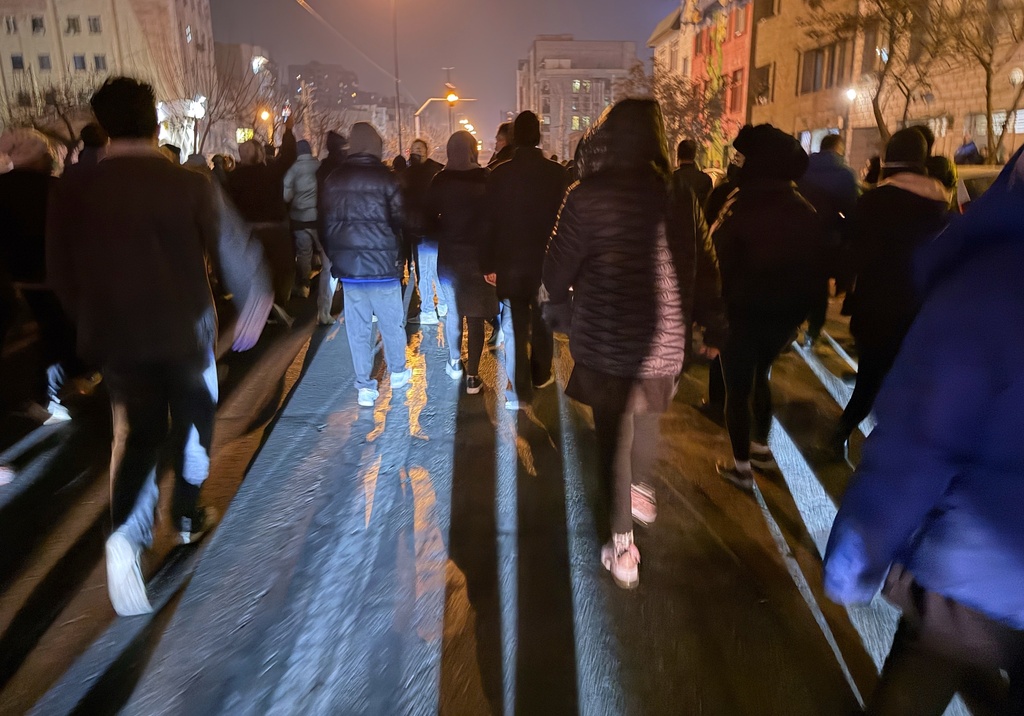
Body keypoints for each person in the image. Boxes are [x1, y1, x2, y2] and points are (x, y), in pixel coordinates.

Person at [823, 145, 1024, 716]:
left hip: (971, 579)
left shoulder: (990, 284)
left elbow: (919, 444)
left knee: (919, 679)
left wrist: (855, 562)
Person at [46, 77, 221, 616]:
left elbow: (61, 273)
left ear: (103, 127)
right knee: (197, 421)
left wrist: (93, 322)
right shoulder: (187, 182)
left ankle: (126, 537)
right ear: (156, 124)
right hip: (186, 335)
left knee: (140, 436)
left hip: (118, 341)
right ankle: (188, 516)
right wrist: (258, 295)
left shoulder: (72, 189)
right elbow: (233, 251)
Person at [543, 99, 726, 589]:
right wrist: (713, 325)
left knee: (612, 439)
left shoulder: (584, 195)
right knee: (647, 420)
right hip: (665, 338)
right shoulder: (680, 194)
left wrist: (558, 301)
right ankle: (640, 491)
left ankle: (623, 550)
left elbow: (555, 272)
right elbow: (707, 268)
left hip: (605, 341)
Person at [712, 124, 827, 489]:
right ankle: (761, 449)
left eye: (740, 158)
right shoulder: (804, 209)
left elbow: (716, 263)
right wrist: (812, 318)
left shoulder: (739, 205)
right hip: (782, 320)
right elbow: (817, 271)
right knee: (762, 376)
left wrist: (706, 314)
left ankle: (742, 466)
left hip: (740, 316)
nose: (735, 164)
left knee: (737, 390)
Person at [831, 129, 950, 458]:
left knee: (869, 378)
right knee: (904, 381)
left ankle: (841, 433)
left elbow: (856, 253)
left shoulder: (873, 202)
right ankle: (887, 444)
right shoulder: (940, 205)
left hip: (877, 307)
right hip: (919, 310)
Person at [321, 122, 412, 407]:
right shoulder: (388, 178)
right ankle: (397, 371)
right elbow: (400, 220)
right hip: (384, 267)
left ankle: (364, 385)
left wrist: (337, 259)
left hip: (351, 270)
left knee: (358, 329)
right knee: (391, 323)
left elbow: (325, 225)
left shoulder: (334, 179)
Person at [483, 111, 567, 409]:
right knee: (543, 319)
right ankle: (541, 373)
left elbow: (489, 223)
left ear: (515, 138)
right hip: (546, 264)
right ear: (539, 137)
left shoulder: (499, 175)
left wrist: (488, 264)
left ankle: (519, 387)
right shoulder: (557, 174)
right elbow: (566, 223)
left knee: (515, 323)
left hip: (511, 265)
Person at [0, 128, 79, 424]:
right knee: (55, 336)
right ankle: (38, 394)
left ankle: (32, 396)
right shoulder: (55, 188)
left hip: (12, 279)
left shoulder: (3, 188)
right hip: (47, 278)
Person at [424, 131, 496, 394]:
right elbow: (494, 221)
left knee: (454, 311)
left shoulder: (440, 180)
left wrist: (443, 231)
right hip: (479, 257)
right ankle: (473, 377)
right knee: (475, 318)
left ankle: (455, 362)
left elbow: (427, 219)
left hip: (450, 258)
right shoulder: (485, 177)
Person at [797, 133, 861, 345]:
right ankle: (813, 330)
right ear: (838, 149)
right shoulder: (845, 175)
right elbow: (852, 212)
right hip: (827, 240)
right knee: (819, 285)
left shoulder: (802, 170)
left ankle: (793, 325)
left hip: (799, 235)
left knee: (797, 280)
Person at [225, 118, 297, 304]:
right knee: (283, 269)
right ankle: (279, 302)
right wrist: (288, 131)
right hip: (275, 231)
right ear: (260, 153)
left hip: (248, 232)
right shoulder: (272, 171)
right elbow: (289, 156)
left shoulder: (233, 178)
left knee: (255, 273)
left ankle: (257, 304)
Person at [403, 138, 445, 324]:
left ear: (427, 152)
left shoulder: (430, 171)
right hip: (422, 229)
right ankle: (442, 304)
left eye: (419, 149)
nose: (416, 152)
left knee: (426, 271)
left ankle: (428, 309)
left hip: (425, 229)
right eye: (414, 149)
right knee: (432, 270)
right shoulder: (411, 172)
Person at [282, 140, 321, 300]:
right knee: (325, 251)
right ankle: (329, 286)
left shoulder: (293, 170)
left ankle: (305, 285)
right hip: (318, 216)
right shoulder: (318, 166)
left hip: (299, 218)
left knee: (304, 252)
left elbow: (286, 195)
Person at [673, 139, 713, 207]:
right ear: (694, 155)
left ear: (678, 155)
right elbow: (710, 206)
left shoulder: (672, 178)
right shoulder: (705, 179)